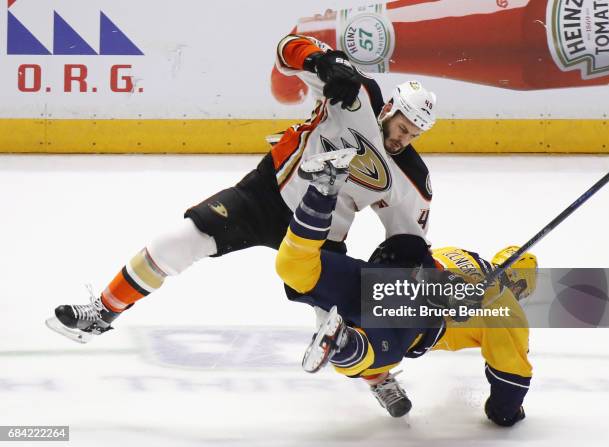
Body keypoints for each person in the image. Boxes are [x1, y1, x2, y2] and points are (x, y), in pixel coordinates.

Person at [46, 34, 437, 348]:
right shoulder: (355, 92)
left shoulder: (410, 177)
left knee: (338, 328)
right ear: (388, 110)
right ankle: (102, 312)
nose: (404, 139)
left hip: (319, 234)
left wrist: (412, 272)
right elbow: (287, 48)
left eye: (414, 135)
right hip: (264, 197)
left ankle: (381, 378)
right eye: (403, 127)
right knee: (178, 240)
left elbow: (407, 241)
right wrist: (318, 61)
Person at [275, 150, 537, 426]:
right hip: (415, 314)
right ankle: (345, 343)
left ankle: (322, 191)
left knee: (296, 267)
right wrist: (507, 412)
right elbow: (510, 383)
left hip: (380, 278)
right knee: (365, 353)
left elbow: (418, 255)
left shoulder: (460, 253)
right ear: (520, 285)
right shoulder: (508, 312)